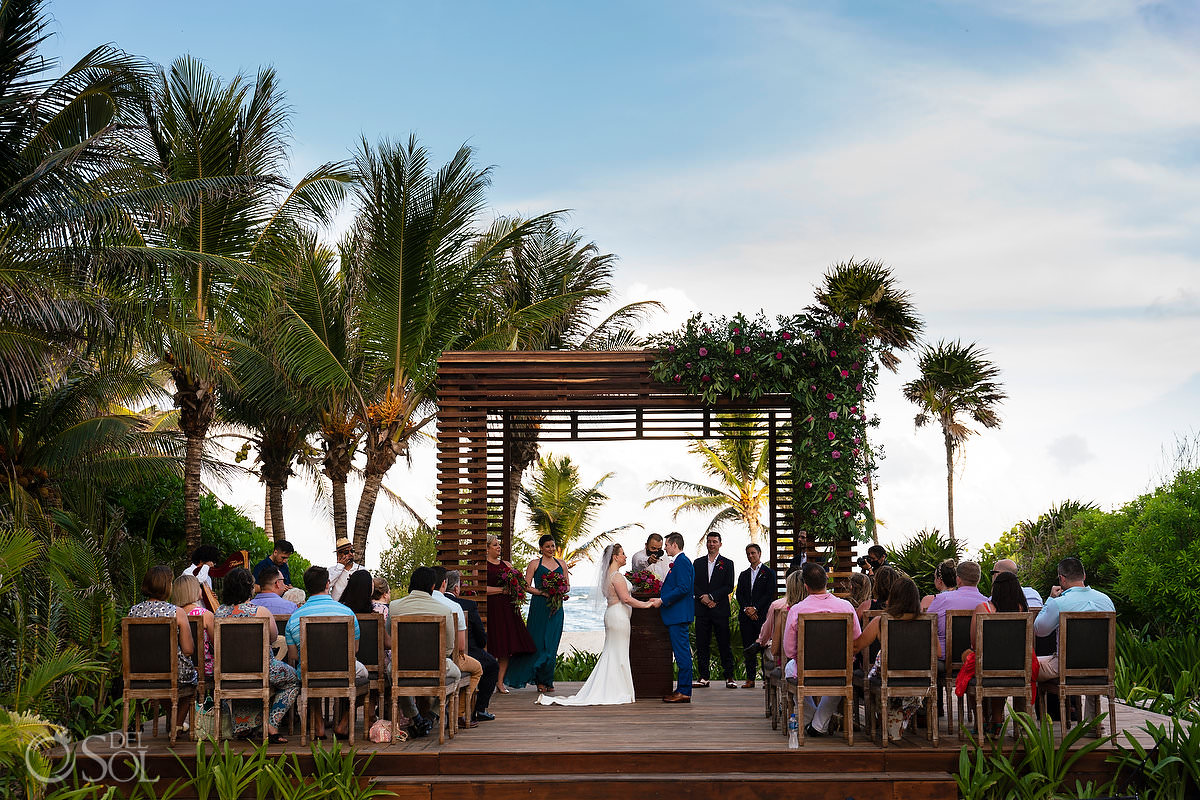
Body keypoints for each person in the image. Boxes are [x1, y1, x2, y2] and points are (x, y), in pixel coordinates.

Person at [539, 544, 661, 706]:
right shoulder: (616, 576)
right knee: (618, 654)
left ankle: (613, 688)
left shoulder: (607, 575)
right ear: (615, 557)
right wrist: (646, 605)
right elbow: (626, 598)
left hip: (613, 614)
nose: (625, 556)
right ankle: (617, 690)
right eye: (623, 554)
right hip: (618, 616)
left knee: (614, 652)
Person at [214, 567, 299, 743]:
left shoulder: (219, 613)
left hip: (228, 672)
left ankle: (244, 726)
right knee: (293, 679)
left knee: (245, 678)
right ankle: (271, 724)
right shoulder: (260, 612)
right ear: (249, 588)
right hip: (263, 668)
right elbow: (274, 637)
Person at [285, 566, 366, 739]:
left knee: (308, 672)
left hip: (309, 672)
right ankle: (344, 723)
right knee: (365, 678)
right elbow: (355, 649)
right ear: (327, 584)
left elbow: (293, 656)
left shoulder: (295, 617)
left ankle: (318, 724)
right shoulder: (347, 613)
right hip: (344, 670)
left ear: (307, 587)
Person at [1033, 557, 1114, 728]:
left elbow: (1039, 630)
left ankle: (1025, 726)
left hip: (1065, 666)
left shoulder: (1059, 603)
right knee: (1090, 661)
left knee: (1026, 666)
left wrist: (1049, 599)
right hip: (1101, 665)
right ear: (1083, 575)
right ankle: (1093, 725)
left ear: (1061, 579)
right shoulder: (1106, 601)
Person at [783, 562, 862, 737]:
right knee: (841, 677)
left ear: (805, 585)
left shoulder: (797, 610)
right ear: (826, 581)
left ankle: (813, 719)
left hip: (806, 669)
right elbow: (857, 639)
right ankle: (818, 723)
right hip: (840, 668)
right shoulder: (846, 607)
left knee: (790, 668)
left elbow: (789, 651)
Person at [390, 567, 462, 737]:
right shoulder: (444, 611)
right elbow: (449, 647)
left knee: (391, 673)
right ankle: (432, 715)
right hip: (436, 666)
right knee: (457, 674)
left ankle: (415, 716)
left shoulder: (394, 607)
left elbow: (390, 638)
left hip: (403, 667)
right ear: (433, 586)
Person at [852, 576, 924, 741]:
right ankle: (899, 715)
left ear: (894, 596)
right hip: (918, 678)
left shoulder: (881, 621)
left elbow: (857, 647)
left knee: (872, 675)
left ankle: (882, 719)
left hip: (889, 678)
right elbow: (939, 653)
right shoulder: (926, 621)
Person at [963, 571, 1034, 735]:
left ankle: (981, 720)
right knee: (1001, 666)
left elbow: (974, 642)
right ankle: (997, 720)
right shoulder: (1022, 609)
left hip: (986, 666)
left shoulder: (983, 608)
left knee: (968, 660)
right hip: (1016, 666)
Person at [130, 566, 197, 732]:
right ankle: (176, 725)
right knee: (193, 681)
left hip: (139, 674)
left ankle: (175, 722)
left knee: (168, 683)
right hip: (171, 672)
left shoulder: (133, 611)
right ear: (167, 586)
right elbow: (188, 650)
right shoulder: (176, 612)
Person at [505, 534, 568, 693]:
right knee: (538, 643)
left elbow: (567, 586)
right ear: (541, 548)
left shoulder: (561, 563)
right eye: (547, 546)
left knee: (552, 645)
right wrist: (542, 592)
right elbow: (525, 586)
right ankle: (540, 680)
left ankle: (548, 679)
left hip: (556, 608)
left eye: (553, 546)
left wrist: (560, 589)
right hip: (539, 606)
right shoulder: (534, 564)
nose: (551, 549)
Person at [431, 566, 484, 729]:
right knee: (477, 669)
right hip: (446, 662)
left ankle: (425, 713)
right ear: (444, 583)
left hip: (411, 663)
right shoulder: (453, 607)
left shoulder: (403, 606)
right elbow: (461, 647)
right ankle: (458, 714)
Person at [444, 570, 500, 723]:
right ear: (456, 588)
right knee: (492, 666)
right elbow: (480, 635)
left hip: (437, 655)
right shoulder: (467, 605)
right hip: (466, 652)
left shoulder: (435, 604)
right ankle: (478, 709)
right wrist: (481, 645)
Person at [484, 534, 535, 692]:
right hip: (491, 609)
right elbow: (481, 589)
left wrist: (516, 588)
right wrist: (502, 590)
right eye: (494, 545)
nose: (498, 547)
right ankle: (487, 683)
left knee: (506, 646)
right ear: (486, 548)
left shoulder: (506, 564)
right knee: (492, 645)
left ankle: (500, 682)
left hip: (507, 609)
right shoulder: (481, 566)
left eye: (498, 544)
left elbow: (520, 583)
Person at [693, 530, 736, 688]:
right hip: (702, 610)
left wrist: (711, 597)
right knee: (702, 644)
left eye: (714, 542)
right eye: (709, 541)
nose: (711, 544)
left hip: (719, 610)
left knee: (724, 644)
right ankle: (703, 677)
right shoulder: (697, 563)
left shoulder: (728, 563)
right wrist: (703, 598)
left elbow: (729, 586)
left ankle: (729, 677)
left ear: (720, 544)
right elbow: (693, 584)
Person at [735, 543, 777, 689]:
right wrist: (747, 609)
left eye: (753, 553)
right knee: (748, 648)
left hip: (762, 617)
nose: (750, 556)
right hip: (746, 617)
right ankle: (750, 679)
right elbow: (739, 594)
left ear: (759, 553)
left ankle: (766, 679)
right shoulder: (743, 574)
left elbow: (769, 593)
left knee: (764, 648)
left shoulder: (769, 573)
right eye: (748, 554)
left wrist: (756, 608)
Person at [659, 532, 695, 703]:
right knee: (681, 653)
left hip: (678, 616)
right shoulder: (680, 562)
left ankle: (684, 691)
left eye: (666, 544)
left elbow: (683, 587)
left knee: (682, 654)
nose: (664, 547)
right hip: (677, 615)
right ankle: (682, 688)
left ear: (674, 544)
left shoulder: (682, 562)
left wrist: (662, 599)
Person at [927, 561, 988, 659]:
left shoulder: (942, 599)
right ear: (978, 580)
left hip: (943, 658)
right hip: (974, 661)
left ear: (958, 580)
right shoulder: (987, 604)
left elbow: (926, 626)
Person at [749, 568, 805, 674]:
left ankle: (768, 682)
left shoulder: (781, 609)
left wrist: (762, 642)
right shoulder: (822, 610)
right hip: (821, 663)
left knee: (768, 651)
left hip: (793, 665)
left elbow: (775, 650)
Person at [172, 574, 214, 680]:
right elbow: (218, 644)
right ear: (193, 590)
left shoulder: (172, 613)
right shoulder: (206, 615)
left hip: (178, 667)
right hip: (205, 668)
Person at [328, 537, 363, 602]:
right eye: (346, 552)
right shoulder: (331, 570)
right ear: (339, 554)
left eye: (352, 551)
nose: (350, 554)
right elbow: (327, 585)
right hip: (337, 608)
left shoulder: (362, 570)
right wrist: (340, 567)